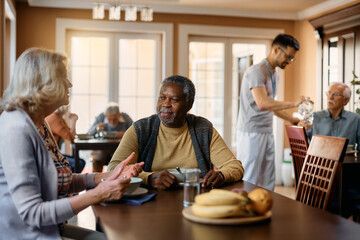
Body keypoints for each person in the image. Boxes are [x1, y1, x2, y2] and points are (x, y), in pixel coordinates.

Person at [0, 47, 144, 239]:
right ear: (44, 83)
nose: (70, 84)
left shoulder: (40, 122)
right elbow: (32, 213)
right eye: (63, 77)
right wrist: (98, 194)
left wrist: (109, 176)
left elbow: (61, 181)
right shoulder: (16, 129)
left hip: (52, 229)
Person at [108, 75, 244, 190]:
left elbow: (235, 167)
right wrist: (149, 178)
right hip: (149, 200)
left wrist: (221, 175)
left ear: (189, 104)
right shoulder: (141, 129)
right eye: (162, 97)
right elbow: (113, 169)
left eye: (174, 99)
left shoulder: (203, 129)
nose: (165, 104)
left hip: (193, 201)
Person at [236, 33, 306, 191]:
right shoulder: (256, 72)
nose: (289, 61)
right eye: (288, 56)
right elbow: (263, 103)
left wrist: (292, 120)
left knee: (268, 180)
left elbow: (271, 106)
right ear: (276, 49)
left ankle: (265, 211)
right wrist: (294, 103)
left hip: (267, 131)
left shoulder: (274, 74)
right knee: (249, 178)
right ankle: (244, 213)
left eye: (292, 58)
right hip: (251, 133)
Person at [299, 82, 360, 150]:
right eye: (329, 93)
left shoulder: (356, 119)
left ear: (346, 100)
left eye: (336, 94)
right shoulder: (314, 117)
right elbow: (300, 144)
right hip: (319, 160)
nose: (330, 97)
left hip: (346, 160)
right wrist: (300, 130)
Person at [88, 103, 133, 172]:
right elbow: (89, 133)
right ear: (106, 115)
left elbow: (134, 132)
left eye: (114, 119)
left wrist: (125, 134)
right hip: (102, 148)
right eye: (109, 119)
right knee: (98, 158)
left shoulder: (125, 117)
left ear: (119, 115)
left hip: (119, 147)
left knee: (121, 158)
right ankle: (96, 180)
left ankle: (119, 179)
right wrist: (97, 128)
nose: (112, 121)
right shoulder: (101, 117)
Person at [46, 106, 86, 173]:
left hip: (53, 153)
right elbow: (70, 137)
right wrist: (73, 121)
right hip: (51, 155)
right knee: (79, 163)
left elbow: (72, 136)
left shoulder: (57, 117)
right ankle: (70, 181)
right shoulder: (55, 119)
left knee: (79, 161)